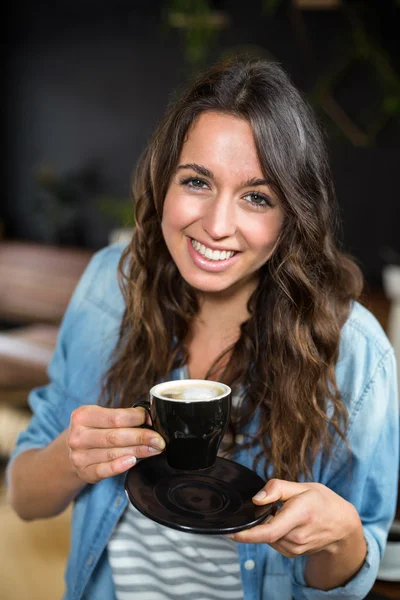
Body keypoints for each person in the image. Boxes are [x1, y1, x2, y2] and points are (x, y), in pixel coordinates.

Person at [7, 56, 399, 600]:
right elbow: (26, 500)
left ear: (294, 214)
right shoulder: (108, 287)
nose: (216, 225)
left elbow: (346, 579)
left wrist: (342, 537)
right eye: (197, 181)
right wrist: (71, 457)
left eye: (257, 197)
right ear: (162, 181)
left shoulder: (356, 353)